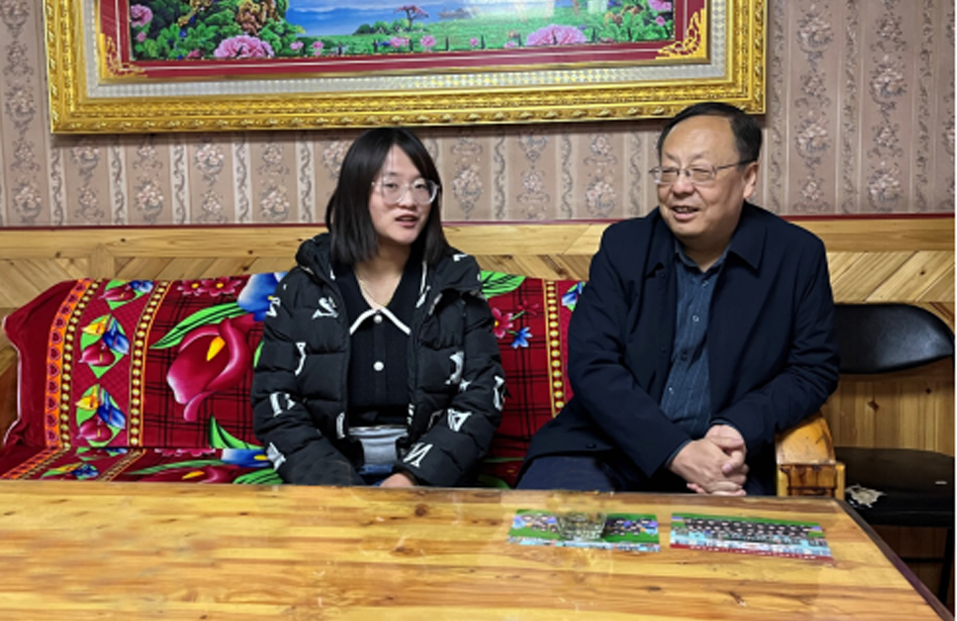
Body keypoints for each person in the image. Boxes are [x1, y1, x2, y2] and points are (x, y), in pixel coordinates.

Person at [517, 102, 838, 495]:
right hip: (604, 448)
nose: (680, 187)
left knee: (746, 534)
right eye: (669, 171)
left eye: (700, 172)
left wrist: (737, 428)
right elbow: (592, 364)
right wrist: (675, 450)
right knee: (552, 526)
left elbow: (812, 369)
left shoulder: (796, 255)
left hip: (728, 457)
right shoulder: (624, 246)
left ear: (748, 178)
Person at [252, 127, 505, 488]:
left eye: (422, 187)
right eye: (392, 186)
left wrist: (411, 479)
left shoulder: (456, 284)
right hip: (327, 478)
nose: (410, 201)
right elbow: (275, 402)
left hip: (431, 477)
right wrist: (337, 485)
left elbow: (482, 397)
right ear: (356, 192)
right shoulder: (303, 286)